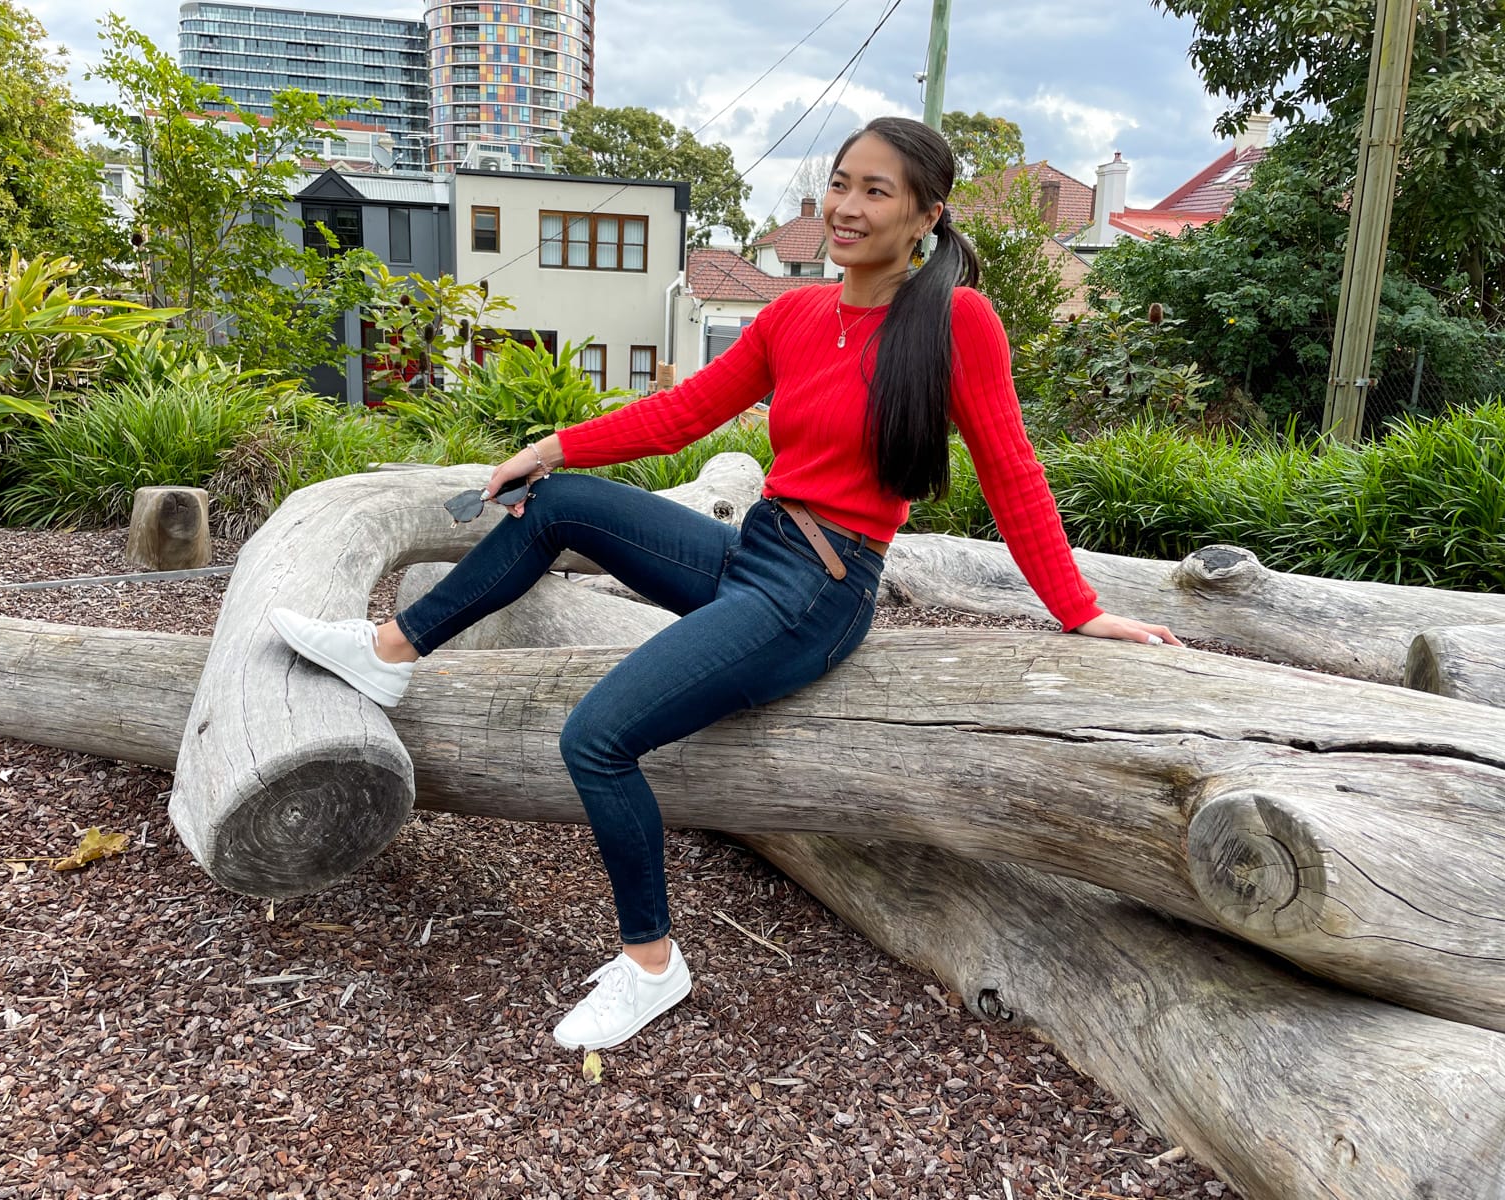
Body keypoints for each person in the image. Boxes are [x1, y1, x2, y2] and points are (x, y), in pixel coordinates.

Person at [270, 116, 1180, 1053]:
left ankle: (652, 965)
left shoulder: (956, 321)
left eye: (876, 191)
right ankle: (391, 652)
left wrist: (1080, 610)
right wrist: (548, 448)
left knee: (597, 737)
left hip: (820, 591)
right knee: (555, 503)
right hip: (758, 549)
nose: (846, 207)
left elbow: (1011, 469)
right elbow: (683, 413)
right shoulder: (794, 315)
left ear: (925, 216)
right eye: (841, 183)